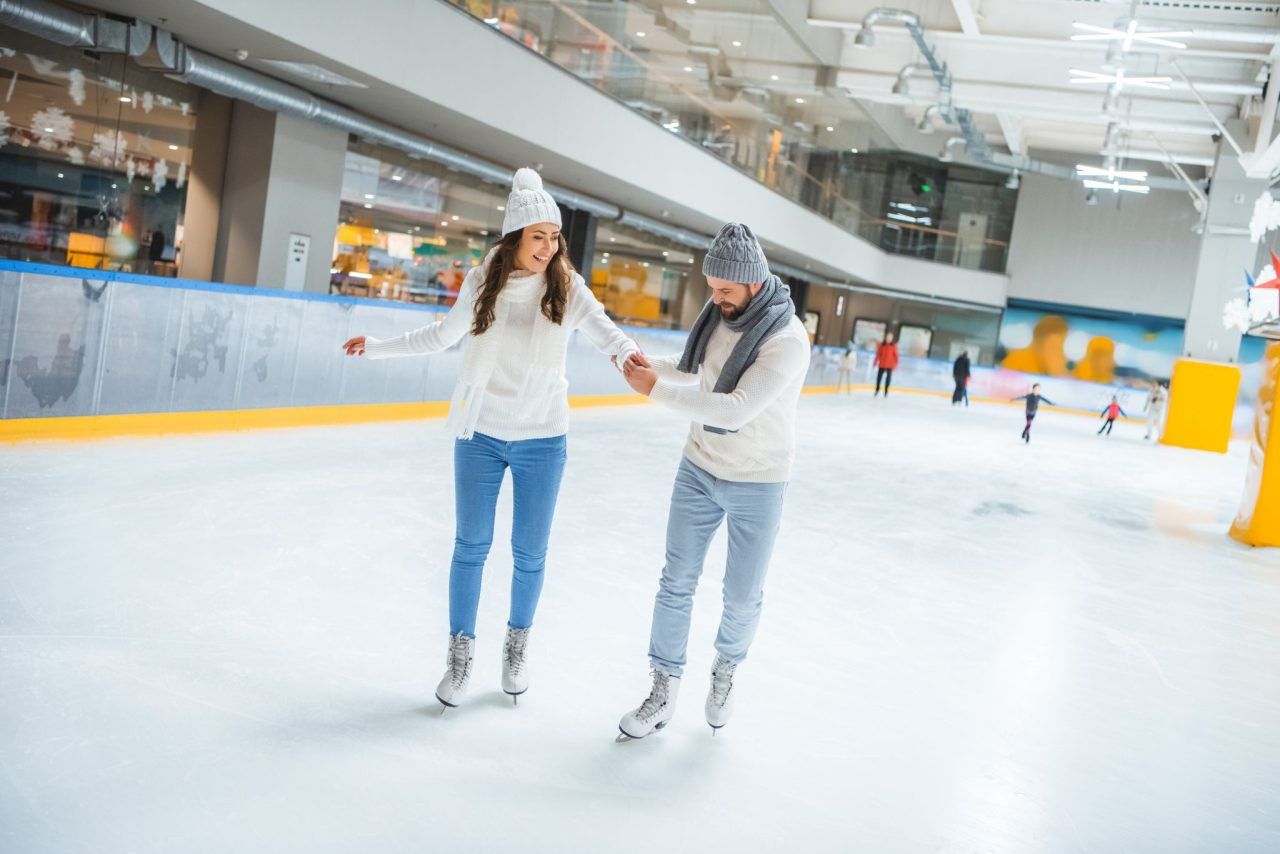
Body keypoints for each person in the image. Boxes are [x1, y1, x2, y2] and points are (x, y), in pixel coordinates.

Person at [341, 168, 640, 710]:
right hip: (479, 432)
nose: (549, 247)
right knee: (470, 547)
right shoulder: (484, 283)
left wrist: (627, 357)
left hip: (543, 437)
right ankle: (459, 657)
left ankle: (516, 649)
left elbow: (605, 330)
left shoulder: (567, 288)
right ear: (514, 238)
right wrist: (379, 346)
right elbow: (441, 335)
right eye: (538, 236)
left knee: (529, 553)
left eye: (555, 237)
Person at [612, 223, 810, 739]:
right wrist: (646, 366)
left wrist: (654, 391)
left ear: (754, 284)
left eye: (725, 290)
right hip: (699, 466)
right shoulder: (719, 313)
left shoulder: (787, 340)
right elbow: (691, 371)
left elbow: (736, 408)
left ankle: (725, 669)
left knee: (742, 596)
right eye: (711, 288)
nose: (715, 298)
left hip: (759, 480)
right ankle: (663, 688)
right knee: (676, 580)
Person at [873, 331, 899, 397]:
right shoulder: (881, 345)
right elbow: (878, 354)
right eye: (888, 337)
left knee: (888, 379)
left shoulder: (894, 346)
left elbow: (896, 356)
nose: (888, 338)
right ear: (886, 337)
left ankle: (886, 391)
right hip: (882, 364)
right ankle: (877, 390)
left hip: (889, 366)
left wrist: (895, 365)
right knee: (879, 378)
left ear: (892, 338)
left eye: (890, 337)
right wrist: (875, 362)